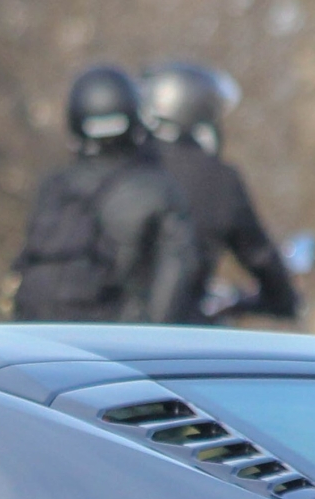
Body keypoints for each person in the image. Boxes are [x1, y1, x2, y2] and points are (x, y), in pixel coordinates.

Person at [12, 66, 201, 324]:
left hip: (37, 341)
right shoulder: (159, 190)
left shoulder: (54, 187)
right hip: (111, 345)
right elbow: (175, 280)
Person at [140, 62, 299, 322]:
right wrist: (283, 297)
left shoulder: (126, 166)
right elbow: (259, 254)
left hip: (102, 327)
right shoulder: (218, 179)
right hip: (179, 332)